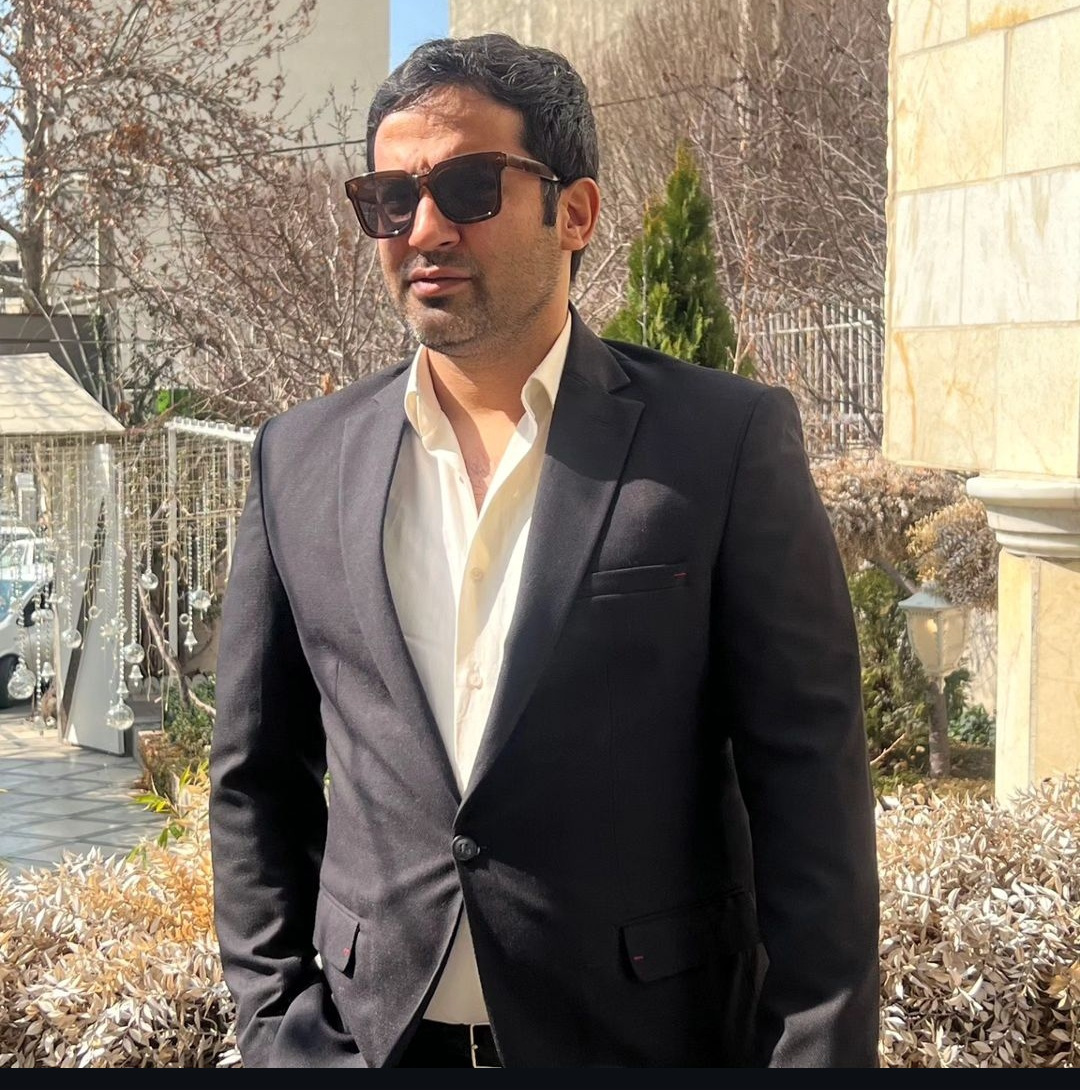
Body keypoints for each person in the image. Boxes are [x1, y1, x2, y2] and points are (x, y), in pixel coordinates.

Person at [208, 32, 880, 1070]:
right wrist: (279, 1030)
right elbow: (255, 779)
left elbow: (810, 792)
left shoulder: (720, 445)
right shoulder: (297, 459)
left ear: (576, 212)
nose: (424, 228)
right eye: (391, 197)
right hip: (370, 1044)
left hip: (641, 1044)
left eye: (468, 187)